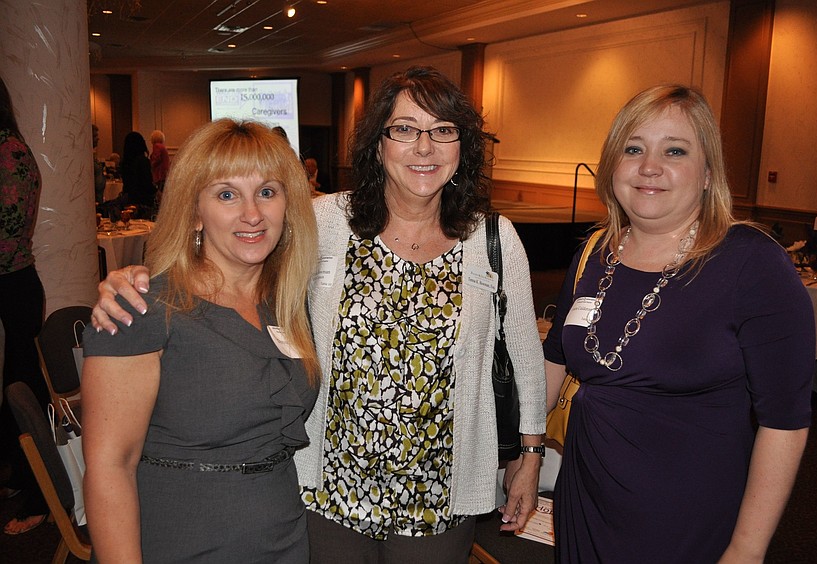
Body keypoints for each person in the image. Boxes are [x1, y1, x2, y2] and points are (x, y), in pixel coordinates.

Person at [90, 66, 546, 563]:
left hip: (439, 491)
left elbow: (525, 354)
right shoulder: (326, 220)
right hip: (326, 492)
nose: (424, 147)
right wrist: (132, 279)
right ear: (378, 144)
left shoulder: (493, 239)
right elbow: (228, 260)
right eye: (405, 129)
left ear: (463, 148)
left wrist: (531, 453)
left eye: (442, 131)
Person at [543, 84, 814, 563]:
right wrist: (524, 455)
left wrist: (747, 550)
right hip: (585, 497)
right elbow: (556, 359)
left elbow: (784, 423)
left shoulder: (751, 263)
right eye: (633, 149)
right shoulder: (597, 252)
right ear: (612, 166)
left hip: (686, 515)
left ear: (708, 173)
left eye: (675, 150)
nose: (650, 166)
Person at [82, 119, 320, 562]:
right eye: (227, 194)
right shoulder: (142, 309)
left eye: (267, 191)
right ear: (194, 211)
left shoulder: (287, 302)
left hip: (282, 534)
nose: (253, 213)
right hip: (181, 538)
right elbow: (109, 468)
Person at [0, 74, 49, 535]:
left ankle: (42, 492)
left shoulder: (10, 152)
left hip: (13, 283)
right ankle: (19, 473)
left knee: (23, 389)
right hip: (14, 281)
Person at [117, 131, 156, 217]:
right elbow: (147, 184)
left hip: (129, 199)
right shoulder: (143, 161)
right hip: (143, 201)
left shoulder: (125, 163)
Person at [149, 129, 170, 194]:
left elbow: (156, 159)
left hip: (159, 174)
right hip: (164, 173)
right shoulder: (163, 146)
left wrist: (150, 165)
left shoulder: (157, 146)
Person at [92, 124, 106, 204]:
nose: (98, 139)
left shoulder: (93, 156)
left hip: (99, 199)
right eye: (95, 136)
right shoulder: (86, 158)